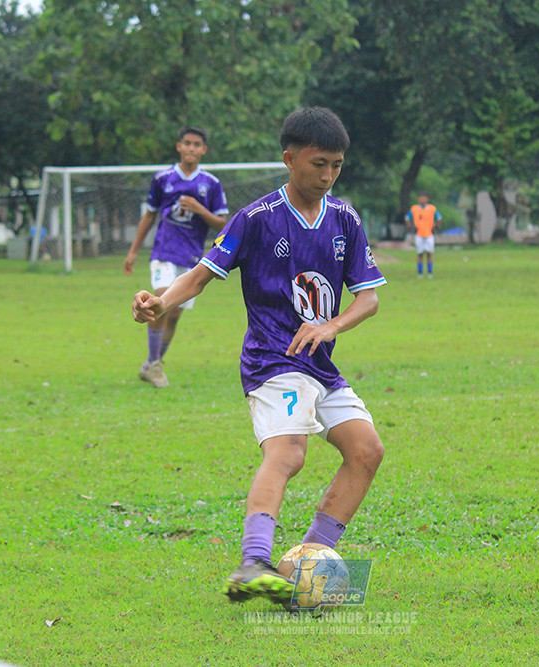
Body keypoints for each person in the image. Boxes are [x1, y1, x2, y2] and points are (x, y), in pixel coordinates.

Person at [132, 107, 386, 605]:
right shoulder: (257, 218)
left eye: (337, 165)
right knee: (289, 452)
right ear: (289, 159)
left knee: (367, 452)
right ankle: (254, 562)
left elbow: (369, 298)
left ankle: (310, 559)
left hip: (320, 363)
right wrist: (161, 301)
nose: (328, 175)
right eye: (319, 164)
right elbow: (201, 274)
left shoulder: (345, 217)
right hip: (273, 360)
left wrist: (330, 325)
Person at [124, 126, 229, 388]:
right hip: (163, 252)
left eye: (197, 144)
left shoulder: (211, 184)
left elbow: (222, 223)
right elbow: (149, 215)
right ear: (178, 146)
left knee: (173, 313)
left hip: (192, 257)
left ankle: (151, 364)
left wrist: (200, 210)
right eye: (187, 143)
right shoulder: (163, 179)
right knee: (159, 301)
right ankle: (154, 363)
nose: (191, 148)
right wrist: (134, 250)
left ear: (203, 150)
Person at [405, 192, 440, 278]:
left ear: (427, 199)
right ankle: (420, 273)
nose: (422, 200)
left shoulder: (432, 209)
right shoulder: (414, 209)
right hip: (419, 234)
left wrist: (435, 226)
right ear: (418, 199)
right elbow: (407, 218)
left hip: (429, 234)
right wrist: (410, 227)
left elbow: (439, 218)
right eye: (421, 198)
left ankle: (429, 273)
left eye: (424, 198)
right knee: (420, 254)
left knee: (429, 253)